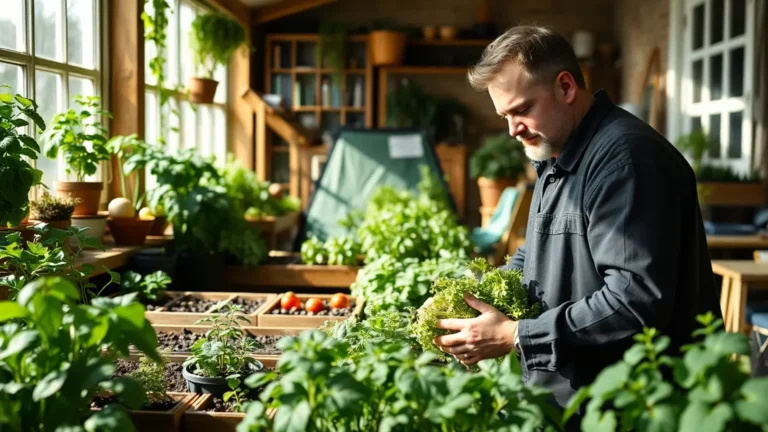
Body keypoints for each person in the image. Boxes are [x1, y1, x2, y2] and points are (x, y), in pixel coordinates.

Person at [431, 25, 722, 414]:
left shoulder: (625, 160)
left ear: (566, 87)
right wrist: (475, 293)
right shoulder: (558, 155)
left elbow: (634, 299)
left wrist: (517, 335)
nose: (512, 129)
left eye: (521, 110)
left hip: (629, 407)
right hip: (574, 403)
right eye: (505, 115)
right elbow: (539, 254)